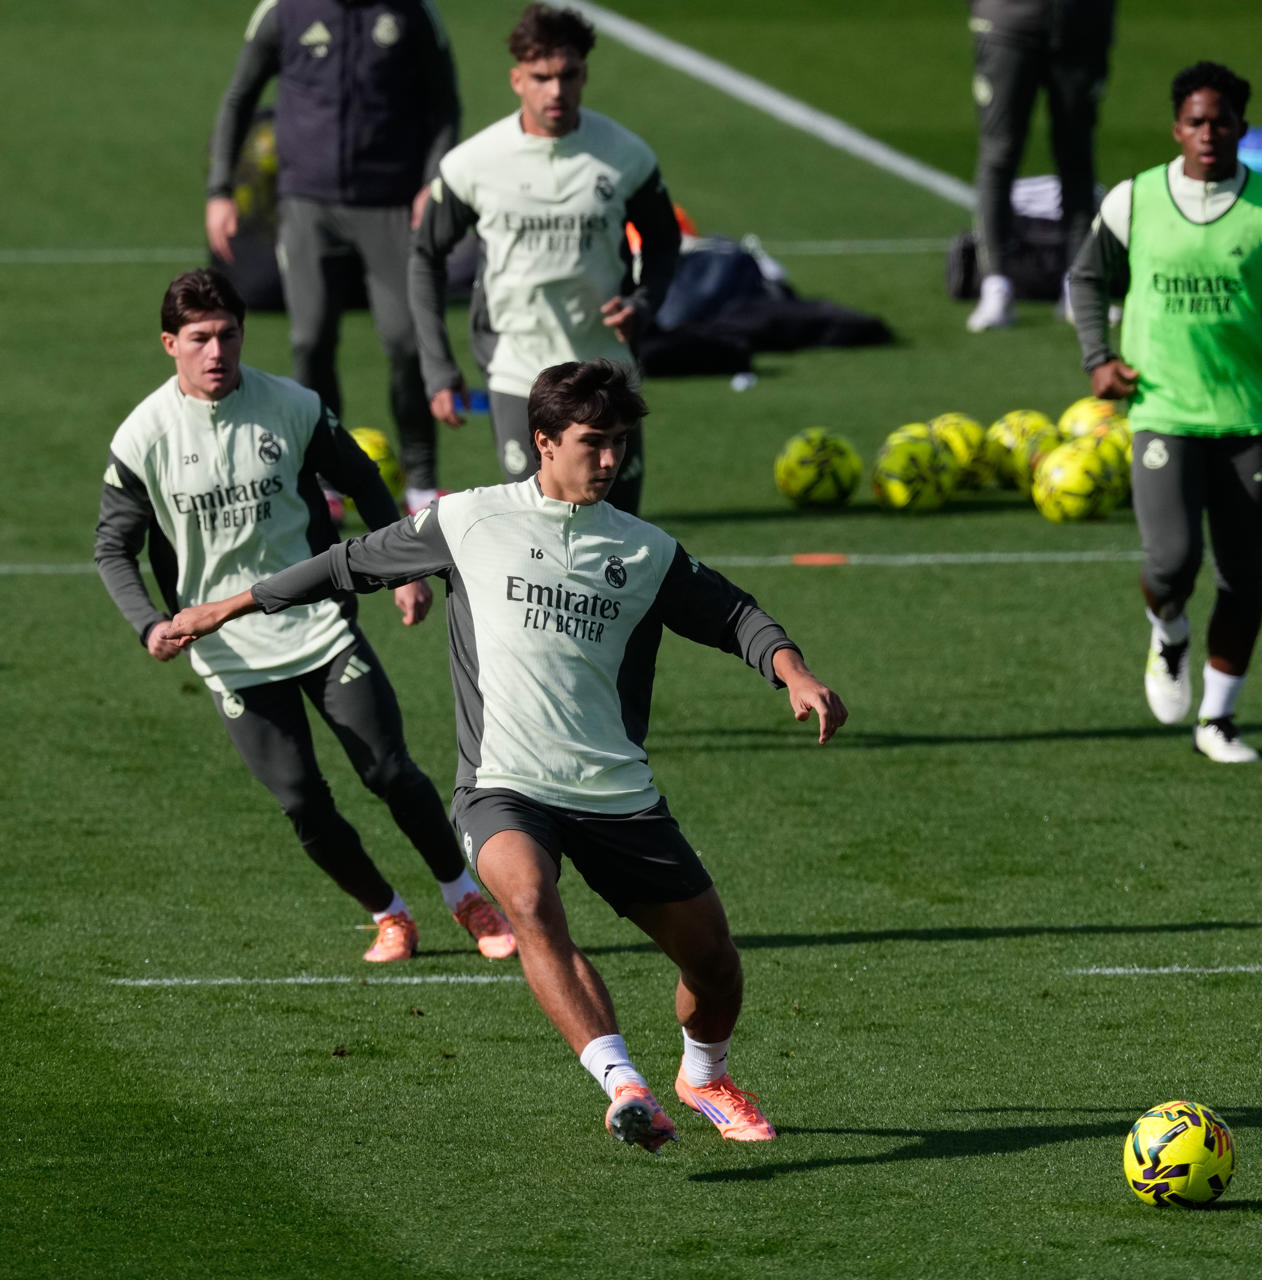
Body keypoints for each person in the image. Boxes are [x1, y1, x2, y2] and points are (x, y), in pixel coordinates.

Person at [165, 358, 848, 1149]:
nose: (610, 459)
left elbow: (733, 614)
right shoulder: (469, 521)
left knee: (715, 967)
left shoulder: (645, 550)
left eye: (620, 443)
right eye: (593, 442)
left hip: (617, 793)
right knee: (527, 901)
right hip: (504, 786)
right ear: (544, 440)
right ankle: (623, 1085)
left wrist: (791, 670)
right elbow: (343, 564)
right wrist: (227, 605)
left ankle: (703, 1075)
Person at [94, 269, 515, 964]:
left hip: (319, 628)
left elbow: (363, 481)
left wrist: (405, 570)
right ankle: (389, 913)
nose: (216, 351)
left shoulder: (292, 406)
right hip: (227, 652)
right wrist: (148, 621)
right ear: (171, 343)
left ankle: (464, 895)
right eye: (199, 338)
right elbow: (113, 546)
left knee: (388, 770)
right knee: (300, 801)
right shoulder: (144, 437)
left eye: (228, 334)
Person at [1066, 61, 1262, 764]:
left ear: (1242, 127)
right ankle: (1168, 631)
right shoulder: (1135, 201)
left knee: (1243, 574)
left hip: (1248, 418)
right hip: (1162, 411)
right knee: (1172, 560)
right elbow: (1087, 277)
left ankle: (1217, 719)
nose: (1208, 132)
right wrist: (1098, 356)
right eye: (1195, 120)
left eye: (1221, 121)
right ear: (1176, 127)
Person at [411, 2, 681, 515]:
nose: (555, 91)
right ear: (517, 79)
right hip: (520, 373)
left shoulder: (625, 155)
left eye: (568, 75)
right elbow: (424, 257)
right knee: (539, 527)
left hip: (609, 369)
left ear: (584, 74)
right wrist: (437, 367)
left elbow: (664, 242)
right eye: (541, 77)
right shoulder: (473, 164)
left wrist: (644, 302)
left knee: (618, 531)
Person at [206, 0, 462, 513]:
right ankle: (323, 481)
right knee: (310, 340)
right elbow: (239, 98)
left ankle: (421, 481)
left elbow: (444, 104)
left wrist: (432, 178)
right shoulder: (284, 11)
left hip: (391, 202)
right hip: (307, 203)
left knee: (406, 340)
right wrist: (220, 189)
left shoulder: (411, 12)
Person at [964, 0, 1116, 332]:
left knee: (1077, 154)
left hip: (1081, 21)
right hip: (1008, 21)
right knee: (1000, 153)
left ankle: (1079, 286)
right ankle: (996, 286)